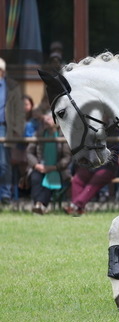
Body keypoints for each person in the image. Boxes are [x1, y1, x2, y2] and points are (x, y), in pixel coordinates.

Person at [64, 124, 119, 216]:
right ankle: (78, 210)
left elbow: (113, 153)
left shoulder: (114, 131)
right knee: (77, 179)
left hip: (108, 167)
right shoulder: (90, 130)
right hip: (91, 165)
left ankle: (75, 205)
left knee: (95, 180)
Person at [26, 111, 71, 214]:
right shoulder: (39, 133)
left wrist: (53, 167)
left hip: (58, 169)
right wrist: (36, 165)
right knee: (36, 177)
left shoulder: (63, 135)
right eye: (45, 119)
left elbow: (67, 158)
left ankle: (40, 205)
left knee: (50, 179)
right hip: (40, 167)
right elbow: (29, 152)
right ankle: (39, 205)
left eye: (49, 119)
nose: (46, 121)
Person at [0, 57, 24, 206]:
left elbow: (19, 112)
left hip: (4, 128)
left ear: (2, 71)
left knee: (3, 163)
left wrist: (17, 131)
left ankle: (5, 194)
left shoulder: (12, 87)